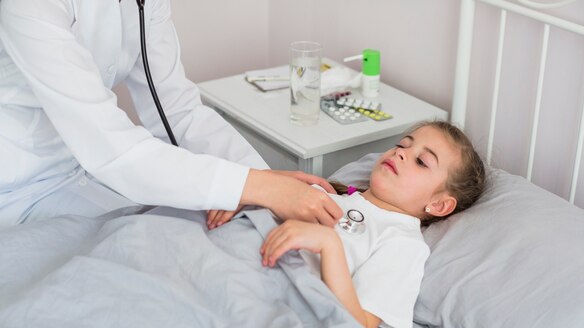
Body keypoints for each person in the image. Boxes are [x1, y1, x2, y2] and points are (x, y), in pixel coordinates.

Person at [0, 0, 342, 227]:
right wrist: (253, 186)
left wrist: (265, 181)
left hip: (86, 173)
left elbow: (177, 109)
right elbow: (109, 146)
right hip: (19, 187)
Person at [258, 121, 486, 328]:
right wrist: (251, 195)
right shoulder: (329, 194)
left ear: (438, 205)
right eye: (402, 145)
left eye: (421, 161)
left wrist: (329, 244)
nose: (400, 152)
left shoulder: (403, 242)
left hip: (268, 291)